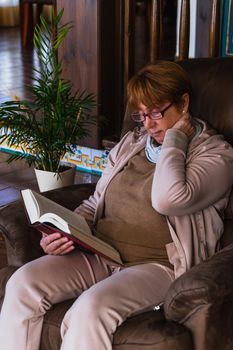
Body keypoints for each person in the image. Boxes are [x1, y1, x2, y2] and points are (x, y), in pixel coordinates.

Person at [0, 60, 233, 350]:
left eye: (157, 113)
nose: (147, 124)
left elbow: (169, 198)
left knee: (90, 309)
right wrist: (64, 231)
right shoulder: (131, 144)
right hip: (101, 251)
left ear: (183, 103)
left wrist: (175, 138)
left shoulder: (217, 156)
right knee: (23, 284)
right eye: (141, 115)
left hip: (157, 266)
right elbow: (97, 200)